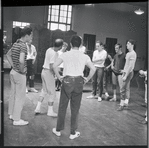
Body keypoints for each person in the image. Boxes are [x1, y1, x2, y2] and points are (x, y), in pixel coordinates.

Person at [52, 35, 96, 140]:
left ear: (71, 44)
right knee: (75, 108)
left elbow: (54, 66)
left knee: (62, 107)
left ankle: (58, 130)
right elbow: (93, 69)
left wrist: (59, 77)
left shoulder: (65, 54)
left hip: (67, 81)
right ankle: (73, 132)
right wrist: (87, 79)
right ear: (80, 44)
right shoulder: (85, 56)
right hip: (79, 82)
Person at [6, 26, 33, 125]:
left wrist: (13, 66)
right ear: (26, 35)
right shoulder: (23, 46)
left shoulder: (15, 44)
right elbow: (22, 60)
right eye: (31, 35)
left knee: (13, 94)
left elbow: (8, 55)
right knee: (20, 96)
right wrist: (21, 70)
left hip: (13, 72)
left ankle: (12, 114)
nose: (31, 37)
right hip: (19, 74)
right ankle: (17, 120)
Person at [34, 39, 64, 117]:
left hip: (43, 71)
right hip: (48, 73)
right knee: (52, 93)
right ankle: (50, 111)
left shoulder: (49, 49)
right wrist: (56, 74)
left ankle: (37, 108)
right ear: (60, 46)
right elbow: (52, 66)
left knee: (44, 90)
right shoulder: (55, 53)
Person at [117, 39, 137, 111]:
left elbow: (130, 66)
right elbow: (127, 65)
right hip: (126, 72)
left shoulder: (133, 54)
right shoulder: (128, 53)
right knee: (123, 88)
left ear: (132, 45)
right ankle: (123, 103)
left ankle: (122, 104)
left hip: (129, 73)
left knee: (122, 88)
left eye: (128, 44)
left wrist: (126, 75)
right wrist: (124, 71)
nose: (127, 45)